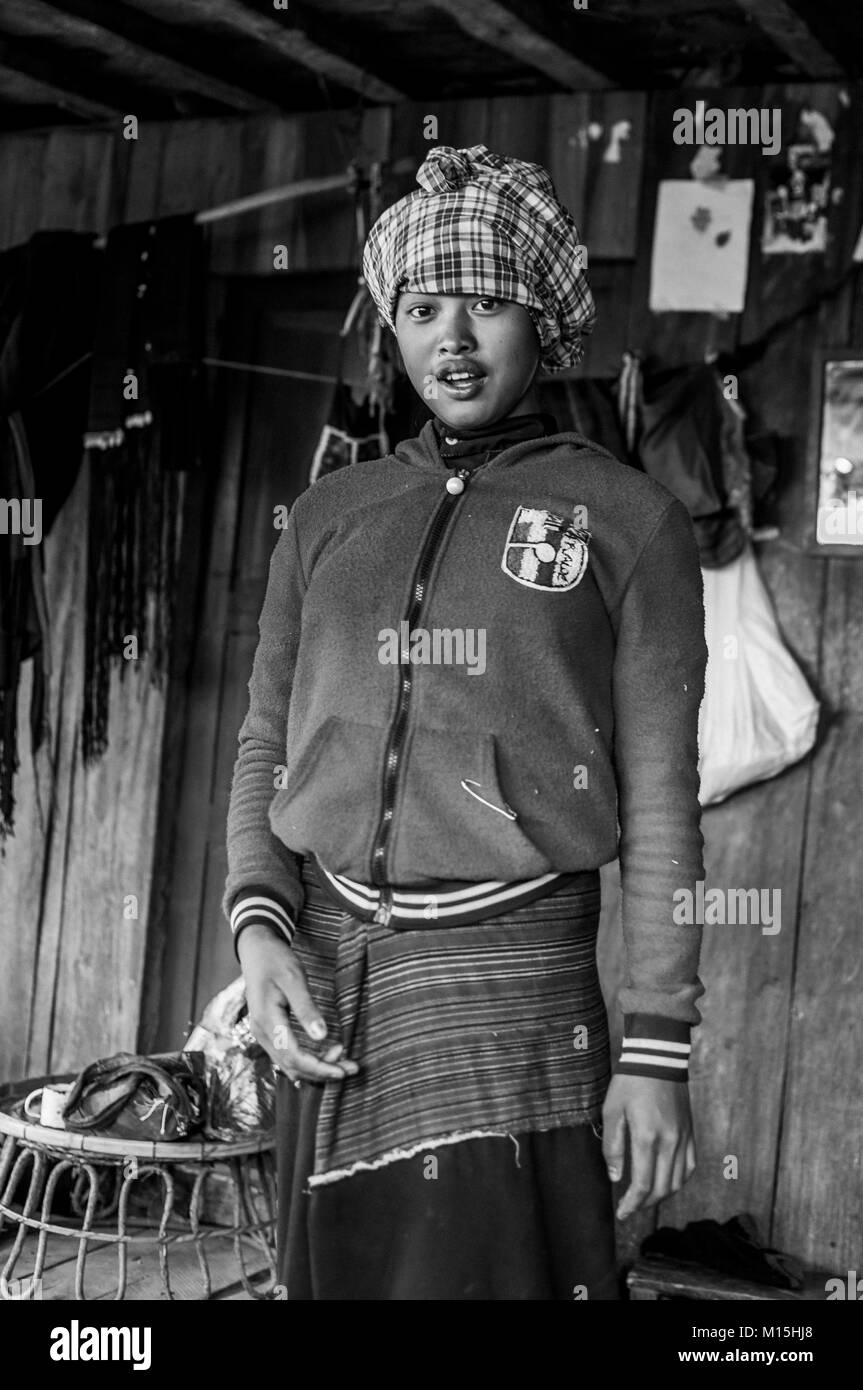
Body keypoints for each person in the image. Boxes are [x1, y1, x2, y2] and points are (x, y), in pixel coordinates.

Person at [223, 144, 707, 1301]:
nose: (452, 336)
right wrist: (258, 931)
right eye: (423, 306)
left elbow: (661, 810)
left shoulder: (626, 522)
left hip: (516, 999)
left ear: (542, 322)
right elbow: (262, 746)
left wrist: (656, 1046)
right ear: (389, 326)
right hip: (328, 982)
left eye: (488, 304)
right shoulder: (328, 518)